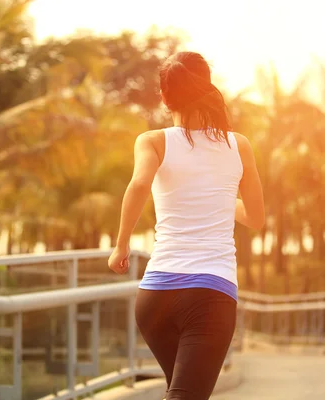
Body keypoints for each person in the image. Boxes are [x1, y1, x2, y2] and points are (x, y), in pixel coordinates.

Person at [108, 51, 265, 400]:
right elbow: (256, 218)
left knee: (182, 392)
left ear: (165, 97)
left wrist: (121, 246)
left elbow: (138, 186)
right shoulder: (238, 146)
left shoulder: (152, 141)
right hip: (210, 296)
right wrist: (225, 203)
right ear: (208, 87)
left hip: (154, 298)